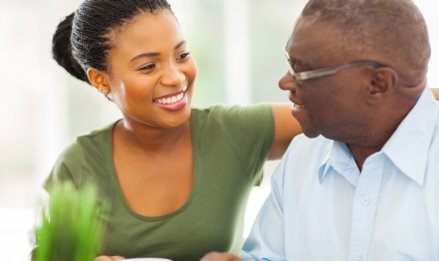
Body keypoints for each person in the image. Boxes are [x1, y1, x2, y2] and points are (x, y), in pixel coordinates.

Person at [45, 0, 302, 261]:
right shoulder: (77, 167)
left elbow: (331, 116)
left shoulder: (234, 132)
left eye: (182, 55)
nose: (176, 77)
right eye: (148, 66)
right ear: (100, 80)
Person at [200, 0, 439, 260]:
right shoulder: (302, 155)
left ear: (377, 84)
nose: (284, 82)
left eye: (302, 70)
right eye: (289, 62)